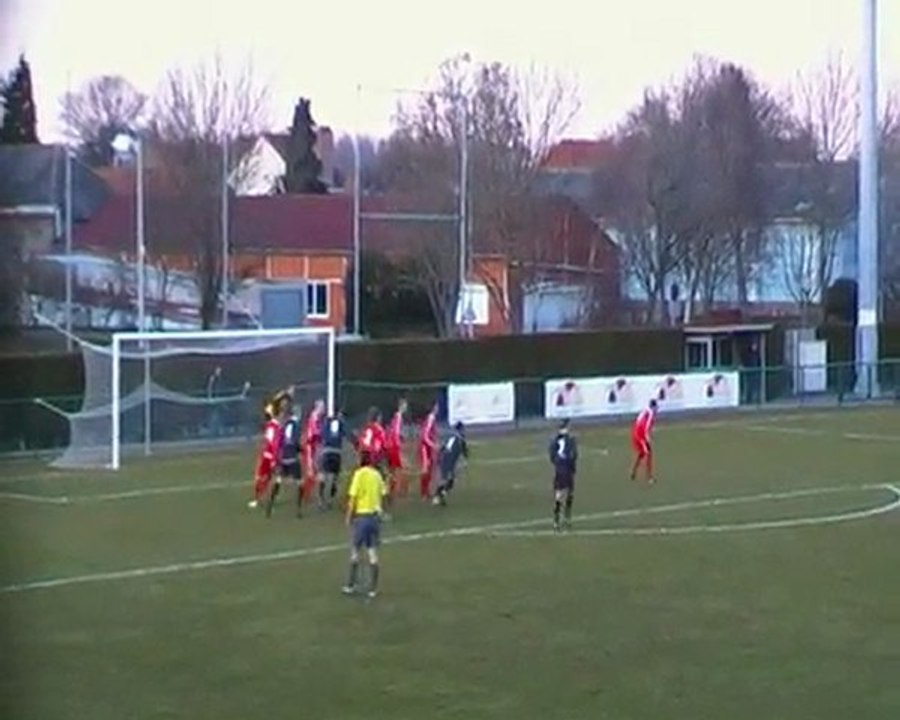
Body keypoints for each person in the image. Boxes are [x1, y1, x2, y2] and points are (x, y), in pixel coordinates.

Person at [342, 452, 388, 599]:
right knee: (372, 553)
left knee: (355, 551)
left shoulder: (359, 474)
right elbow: (384, 493)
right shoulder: (377, 475)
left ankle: (351, 585)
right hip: (375, 518)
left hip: (362, 517)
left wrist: (349, 516)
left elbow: (353, 497)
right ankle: (373, 589)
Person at [265, 401, 302, 518]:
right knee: (299, 483)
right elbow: (295, 442)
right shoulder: (296, 425)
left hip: (283, 457)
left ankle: (270, 507)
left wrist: (278, 456)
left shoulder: (285, 424)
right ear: (298, 413)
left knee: (278, 480)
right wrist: (300, 450)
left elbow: (280, 440)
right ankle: (298, 510)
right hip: (292, 458)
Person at [249, 400, 284, 509]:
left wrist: (273, 458)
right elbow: (274, 443)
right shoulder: (274, 426)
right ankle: (264, 497)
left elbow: (274, 443)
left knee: (263, 477)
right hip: (271, 456)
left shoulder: (273, 427)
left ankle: (258, 499)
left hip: (269, 456)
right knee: (273, 477)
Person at [549, 419, 578, 531]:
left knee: (559, 495)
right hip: (567, 468)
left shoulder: (556, 440)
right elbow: (574, 454)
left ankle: (556, 520)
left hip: (559, 469)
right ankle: (567, 517)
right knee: (569, 493)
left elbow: (552, 454)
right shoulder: (570, 440)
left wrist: (556, 462)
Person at [318, 410, 350, 509]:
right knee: (335, 478)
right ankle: (330, 501)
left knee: (323, 475)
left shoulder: (326, 421)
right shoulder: (341, 422)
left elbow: (322, 434)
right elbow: (345, 434)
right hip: (336, 452)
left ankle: (321, 500)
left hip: (326, 451)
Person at [433, 421, 468, 506]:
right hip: (447, 461)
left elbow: (464, 452)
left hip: (450, 462)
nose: (464, 431)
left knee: (450, 481)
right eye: (463, 429)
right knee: (445, 480)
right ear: (460, 430)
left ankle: (441, 496)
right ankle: (437, 497)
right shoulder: (454, 438)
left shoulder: (460, 439)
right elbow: (446, 449)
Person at [302, 399, 325, 503]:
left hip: (314, 446)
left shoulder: (318, 418)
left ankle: (307, 494)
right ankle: (305, 494)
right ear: (318, 407)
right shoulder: (314, 417)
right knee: (311, 472)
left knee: (315, 471)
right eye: (322, 407)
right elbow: (314, 433)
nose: (324, 409)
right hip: (310, 447)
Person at [630, 399, 658, 484]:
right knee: (648, 454)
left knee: (642, 453)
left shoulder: (644, 410)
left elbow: (638, 420)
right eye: (656, 408)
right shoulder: (650, 414)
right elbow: (646, 427)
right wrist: (647, 439)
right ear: (653, 407)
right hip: (641, 435)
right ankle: (649, 477)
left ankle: (633, 472)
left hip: (635, 432)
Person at [385, 398, 408, 497]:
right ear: (401, 406)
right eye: (405, 405)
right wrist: (399, 443)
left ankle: (390, 489)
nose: (406, 407)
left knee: (393, 469)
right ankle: (392, 490)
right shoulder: (398, 417)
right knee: (397, 469)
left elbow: (393, 431)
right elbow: (396, 432)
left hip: (391, 445)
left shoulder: (395, 417)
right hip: (394, 447)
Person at [418, 402, 439, 500]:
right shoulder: (430, 418)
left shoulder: (432, 418)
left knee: (429, 469)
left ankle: (426, 492)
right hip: (425, 448)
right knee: (426, 469)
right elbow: (425, 435)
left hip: (428, 447)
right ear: (434, 408)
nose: (438, 408)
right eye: (436, 406)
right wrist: (433, 445)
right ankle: (423, 493)